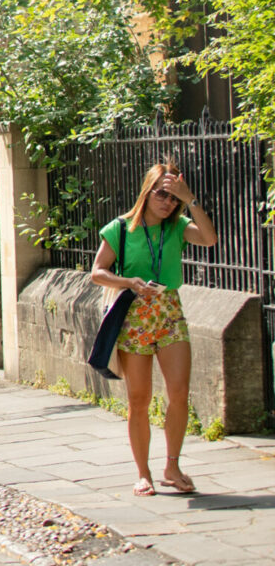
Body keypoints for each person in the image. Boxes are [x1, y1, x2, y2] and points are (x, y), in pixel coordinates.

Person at [91, 160, 219, 497]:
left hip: (169, 312)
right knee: (139, 398)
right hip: (134, 315)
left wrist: (189, 198)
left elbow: (209, 238)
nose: (168, 203)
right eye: (162, 194)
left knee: (178, 393)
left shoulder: (178, 226)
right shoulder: (120, 229)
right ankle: (143, 473)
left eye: (173, 198)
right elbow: (97, 272)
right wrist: (127, 281)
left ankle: (172, 466)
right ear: (147, 193)